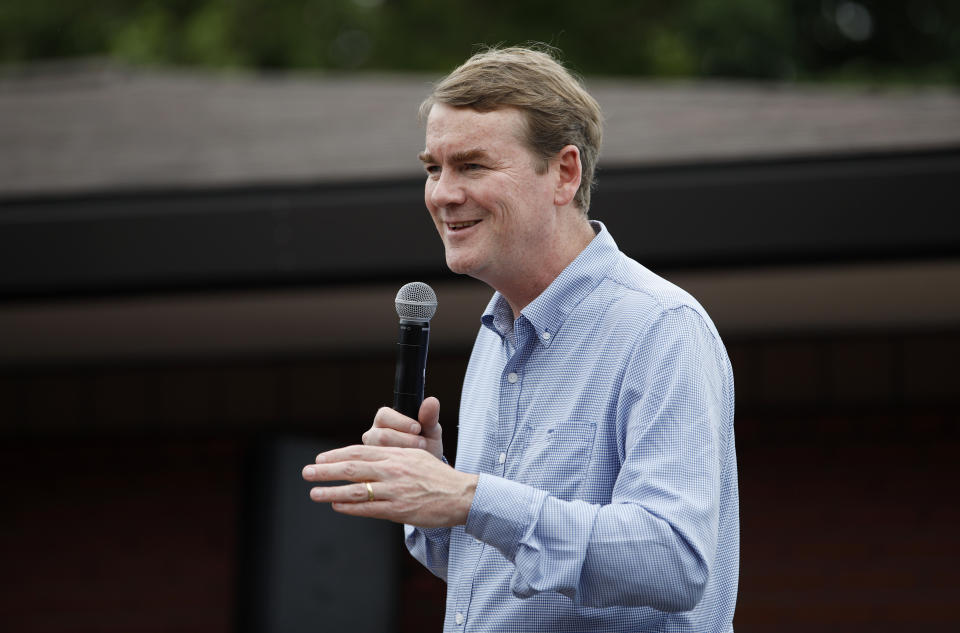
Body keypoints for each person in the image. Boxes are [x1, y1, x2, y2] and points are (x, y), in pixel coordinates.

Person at [302, 45, 739, 632]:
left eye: (473, 166)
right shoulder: (497, 332)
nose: (442, 194)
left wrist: (468, 497)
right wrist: (432, 495)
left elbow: (674, 562)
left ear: (564, 173)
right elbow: (487, 570)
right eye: (434, 168)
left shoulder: (659, 327)